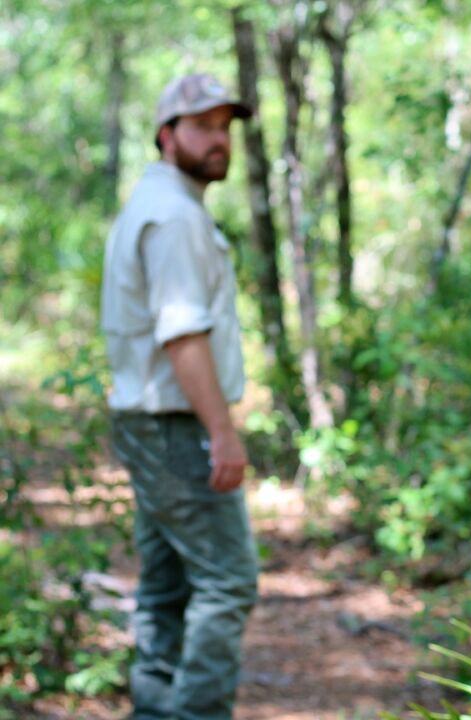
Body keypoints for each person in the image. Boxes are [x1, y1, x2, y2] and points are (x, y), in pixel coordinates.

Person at [100, 72, 259, 720]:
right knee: (227, 582)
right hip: (173, 425)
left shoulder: (153, 204)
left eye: (225, 127)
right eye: (202, 126)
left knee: (165, 586)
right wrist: (222, 431)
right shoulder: (174, 217)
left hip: (146, 420)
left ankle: (155, 710)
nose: (218, 140)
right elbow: (183, 333)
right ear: (168, 136)